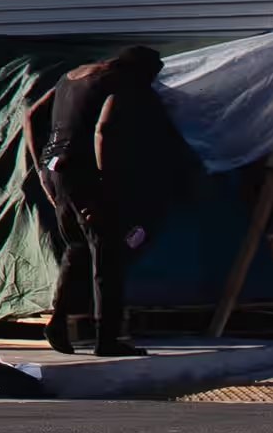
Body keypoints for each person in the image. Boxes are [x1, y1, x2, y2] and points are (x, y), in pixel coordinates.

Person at [22, 45, 168, 356]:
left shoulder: (70, 77)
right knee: (108, 256)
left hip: (56, 171)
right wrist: (105, 182)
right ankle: (107, 339)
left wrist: (39, 169)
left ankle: (58, 323)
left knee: (76, 251)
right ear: (141, 70)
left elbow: (32, 116)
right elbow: (104, 128)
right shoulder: (121, 82)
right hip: (85, 173)